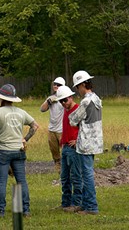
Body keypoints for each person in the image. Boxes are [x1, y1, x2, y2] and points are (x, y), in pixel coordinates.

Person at [0, 84, 38, 218]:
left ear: (1, 98)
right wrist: (25, 139)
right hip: (18, 150)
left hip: (3, 151)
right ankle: (25, 210)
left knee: (2, 182)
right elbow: (35, 126)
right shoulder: (21, 112)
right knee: (21, 181)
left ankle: (1, 212)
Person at [69, 70, 103, 215]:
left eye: (78, 87)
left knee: (86, 175)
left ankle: (91, 207)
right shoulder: (97, 99)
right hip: (95, 141)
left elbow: (73, 120)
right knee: (86, 173)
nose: (78, 90)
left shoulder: (86, 101)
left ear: (83, 84)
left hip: (85, 143)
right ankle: (85, 204)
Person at [55, 84, 82, 212]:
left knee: (76, 176)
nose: (63, 103)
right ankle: (65, 203)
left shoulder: (78, 109)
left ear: (71, 97)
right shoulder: (66, 110)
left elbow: (86, 128)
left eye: (65, 100)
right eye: (61, 101)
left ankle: (77, 203)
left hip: (74, 148)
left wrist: (78, 140)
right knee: (64, 177)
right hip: (65, 146)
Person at [40, 76, 66, 173]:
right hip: (52, 129)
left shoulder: (65, 98)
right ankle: (58, 168)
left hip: (62, 129)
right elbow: (42, 109)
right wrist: (48, 101)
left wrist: (60, 100)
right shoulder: (50, 98)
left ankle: (66, 168)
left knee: (65, 151)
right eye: (55, 84)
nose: (56, 86)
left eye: (58, 85)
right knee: (54, 150)